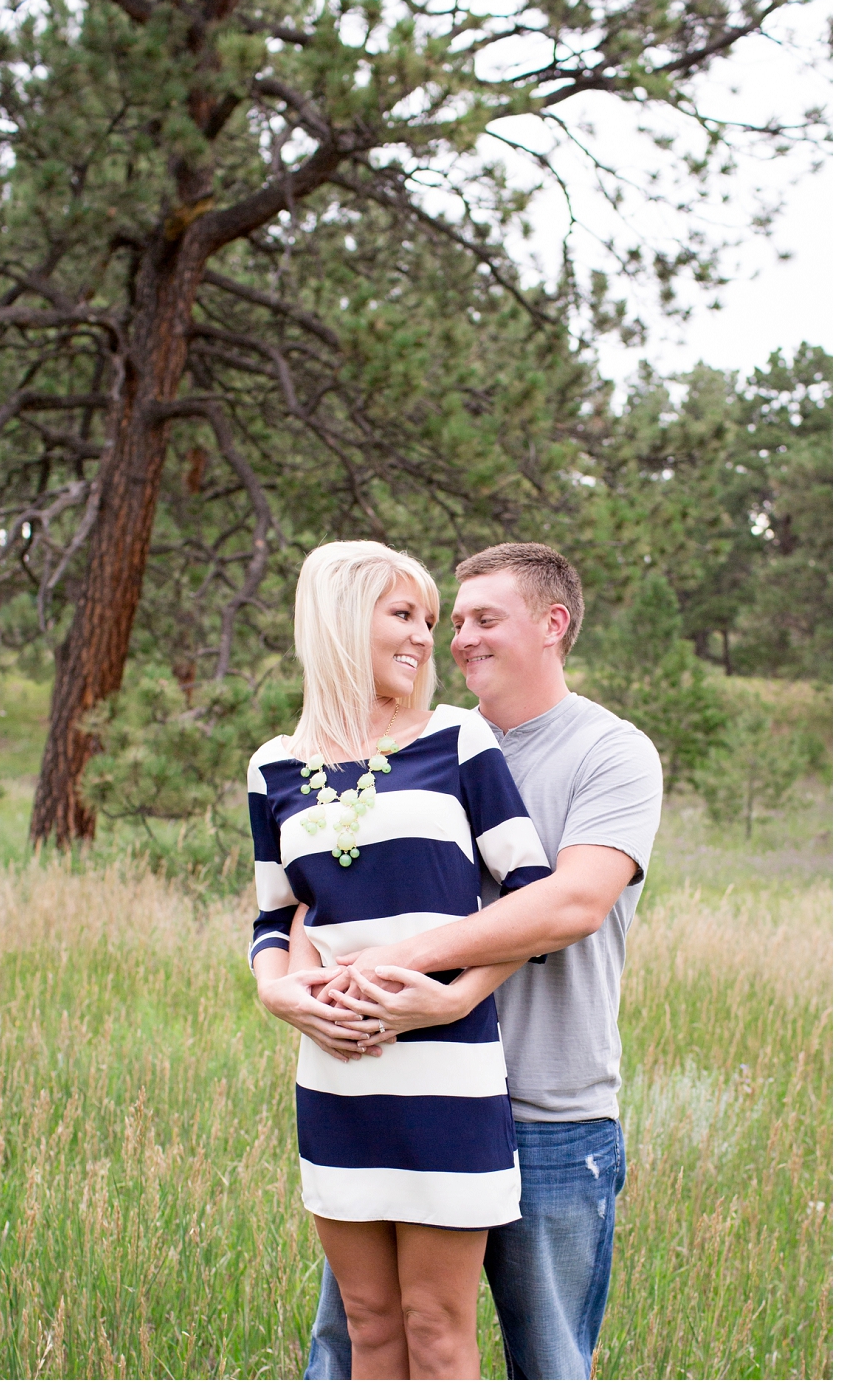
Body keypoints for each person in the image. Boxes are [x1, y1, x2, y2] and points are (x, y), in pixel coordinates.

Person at [280, 542, 663, 1380]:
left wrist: (419, 971)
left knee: (548, 1361)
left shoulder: (612, 752)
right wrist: (286, 987)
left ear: (552, 625)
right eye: (453, 621)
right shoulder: (421, 745)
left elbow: (569, 902)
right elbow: (305, 901)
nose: (457, 639)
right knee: (359, 1338)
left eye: (483, 619)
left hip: (550, 1112)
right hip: (402, 1086)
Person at [248, 541, 551, 1379]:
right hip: (336, 1077)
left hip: (448, 1076)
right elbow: (275, 917)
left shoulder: (458, 738)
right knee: (370, 1323)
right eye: (404, 615)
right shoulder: (273, 766)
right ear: (343, 620)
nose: (425, 638)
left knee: (438, 1324)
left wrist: (455, 1000)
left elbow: (531, 898)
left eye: (429, 619)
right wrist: (280, 996)